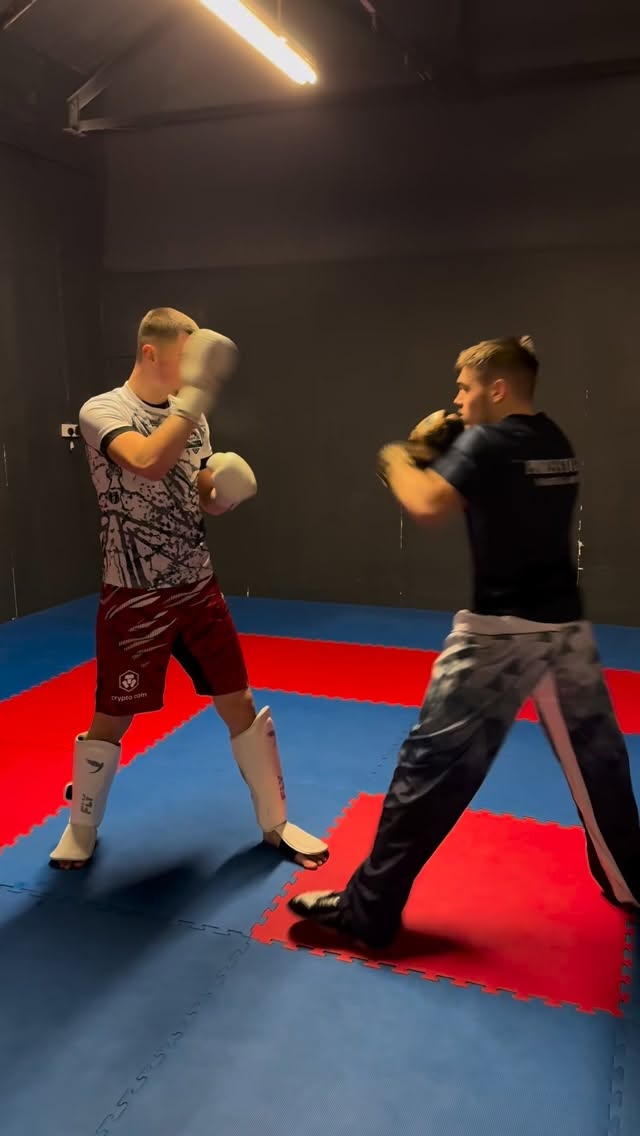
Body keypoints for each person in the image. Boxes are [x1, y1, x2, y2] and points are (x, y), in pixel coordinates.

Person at [289, 335, 640, 946]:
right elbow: (504, 483)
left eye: (464, 387)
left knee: (426, 771)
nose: (456, 399)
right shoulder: (554, 439)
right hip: (564, 628)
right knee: (600, 766)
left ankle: (368, 912)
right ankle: (631, 882)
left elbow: (426, 506)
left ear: (496, 389)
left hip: (496, 637)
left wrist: (400, 454)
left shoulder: (486, 443)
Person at [50, 307, 328, 872]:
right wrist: (196, 395)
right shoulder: (103, 411)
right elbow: (148, 462)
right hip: (134, 594)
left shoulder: (192, 419)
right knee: (112, 715)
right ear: (150, 352)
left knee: (240, 704)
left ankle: (275, 823)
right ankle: (81, 826)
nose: (195, 373)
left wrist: (221, 490)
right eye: (187, 360)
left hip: (197, 587)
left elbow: (194, 486)